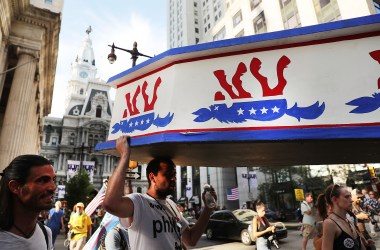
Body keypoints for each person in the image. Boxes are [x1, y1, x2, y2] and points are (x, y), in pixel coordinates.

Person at [103, 135, 217, 250]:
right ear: (152, 178)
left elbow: (191, 239)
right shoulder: (139, 202)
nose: (173, 179)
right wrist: (124, 156)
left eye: (174, 175)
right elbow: (110, 204)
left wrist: (207, 209)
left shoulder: (172, 206)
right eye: (168, 174)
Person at [0, 154, 55, 250]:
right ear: (15, 187)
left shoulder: (46, 234)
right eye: (42, 180)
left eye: (53, 180)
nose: (52, 187)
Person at [322, 184, 363, 250]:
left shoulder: (349, 220)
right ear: (335, 199)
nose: (351, 200)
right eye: (347, 197)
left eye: (350, 196)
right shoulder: (330, 223)